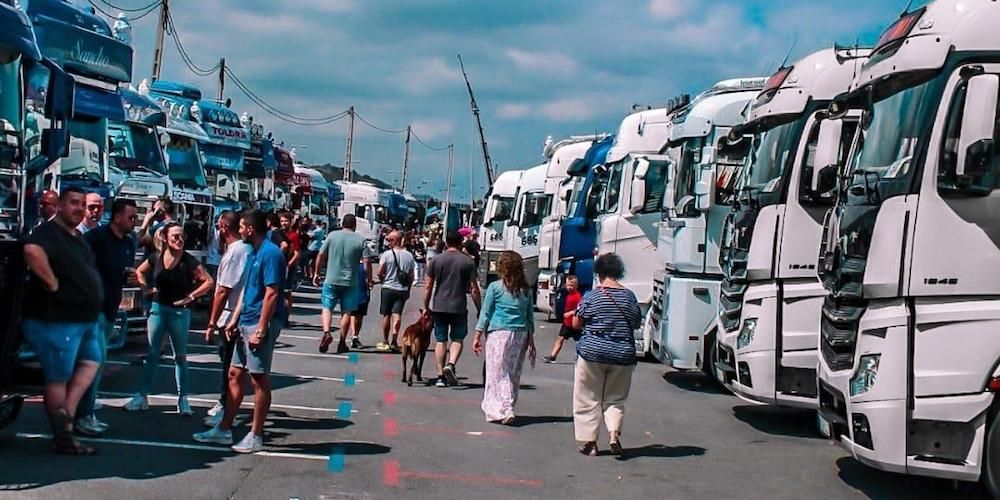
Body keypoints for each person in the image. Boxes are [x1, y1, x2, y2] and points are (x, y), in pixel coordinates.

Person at [194, 209, 287, 453]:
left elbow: (271, 293)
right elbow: (248, 290)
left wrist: (261, 329)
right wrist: (234, 318)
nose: (240, 230)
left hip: (258, 322)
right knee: (234, 373)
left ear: (251, 229)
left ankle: (255, 435)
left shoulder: (270, 253)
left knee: (258, 379)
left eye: (243, 226)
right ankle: (224, 429)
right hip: (245, 319)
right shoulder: (254, 252)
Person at [21, 187, 104, 455]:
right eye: (73, 203)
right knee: (58, 378)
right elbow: (32, 251)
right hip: (56, 320)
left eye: (82, 204)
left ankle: (65, 413)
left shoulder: (76, 236)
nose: (79, 208)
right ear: (59, 206)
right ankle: (64, 437)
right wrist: (52, 283)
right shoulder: (47, 232)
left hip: (84, 321)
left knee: (91, 362)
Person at [126, 222, 214, 414]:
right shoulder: (156, 257)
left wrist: (191, 297)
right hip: (158, 309)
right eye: (175, 236)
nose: (180, 240)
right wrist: (145, 289)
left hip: (179, 312)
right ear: (165, 238)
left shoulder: (189, 261)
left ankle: (183, 399)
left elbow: (208, 281)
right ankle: (141, 396)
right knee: (152, 354)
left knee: (180, 356)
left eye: (182, 236)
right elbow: (139, 271)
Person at [75, 199, 137, 436]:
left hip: (111, 308)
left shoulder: (129, 242)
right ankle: (84, 415)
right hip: (94, 310)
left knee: (95, 363)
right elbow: (81, 267)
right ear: (117, 217)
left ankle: (84, 412)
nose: (134, 222)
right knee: (95, 361)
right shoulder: (96, 238)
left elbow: (124, 273)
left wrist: (129, 278)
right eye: (130, 217)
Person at [571, 253, 642, 457]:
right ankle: (613, 433)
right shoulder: (629, 297)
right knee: (616, 398)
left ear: (598, 272)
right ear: (618, 271)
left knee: (588, 398)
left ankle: (590, 442)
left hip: (592, 353)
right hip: (622, 355)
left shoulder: (592, 296)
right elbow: (636, 322)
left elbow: (576, 323)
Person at [472, 251, 536, 424]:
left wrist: (477, 335)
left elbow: (486, 313)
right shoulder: (525, 290)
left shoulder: (495, 287)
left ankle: (504, 408)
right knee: (513, 372)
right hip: (521, 333)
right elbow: (529, 316)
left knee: (498, 372)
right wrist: (531, 340)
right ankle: (508, 404)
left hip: (499, 333)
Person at [202, 211, 250, 427]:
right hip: (239, 314)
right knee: (233, 366)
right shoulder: (245, 249)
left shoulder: (235, 253)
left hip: (231, 316)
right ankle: (227, 405)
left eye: (218, 227)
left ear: (223, 228)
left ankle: (225, 407)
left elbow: (223, 290)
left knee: (230, 366)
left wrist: (211, 323)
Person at [423, 231, 481, 387]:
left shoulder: (436, 260)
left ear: (446, 243)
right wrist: (479, 308)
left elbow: (428, 286)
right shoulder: (468, 262)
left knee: (440, 340)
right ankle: (451, 363)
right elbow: (474, 289)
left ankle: (440, 376)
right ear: (461, 242)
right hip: (458, 305)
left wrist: (426, 306)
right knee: (457, 338)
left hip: (439, 305)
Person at [314, 214, 369, 354]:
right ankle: (342, 341)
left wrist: (316, 273)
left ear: (342, 224)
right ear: (355, 225)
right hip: (351, 281)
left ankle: (327, 332)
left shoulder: (332, 236)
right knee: (347, 311)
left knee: (327, 307)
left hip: (331, 278)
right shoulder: (361, 239)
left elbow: (321, 255)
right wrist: (368, 278)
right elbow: (367, 261)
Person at [377, 230, 415, 352]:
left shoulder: (386, 254)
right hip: (402, 289)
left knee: (386, 314)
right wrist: (408, 290)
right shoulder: (409, 256)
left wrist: (382, 278)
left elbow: (379, 272)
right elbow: (411, 276)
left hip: (388, 288)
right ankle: (394, 339)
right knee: (397, 314)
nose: (388, 242)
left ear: (394, 241)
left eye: (389, 240)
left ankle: (385, 340)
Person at [543, 275, 582, 363]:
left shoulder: (578, 296)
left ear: (576, 286)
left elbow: (580, 309)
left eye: (572, 285)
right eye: (568, 285)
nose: (570, 287)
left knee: (579, 341)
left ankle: (581, 357)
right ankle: (553, 356)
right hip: (567, 323)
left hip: (575, 323)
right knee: (560, 339)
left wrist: (571, 313)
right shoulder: (565, 294)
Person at [348, 260, 371, 349]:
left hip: (352, 292)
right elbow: (368, 281)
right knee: (360, 315)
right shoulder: (366, 266)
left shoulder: (351, 264)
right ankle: (355, 335)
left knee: (353, 314)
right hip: (363, 292)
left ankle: (354, 334)